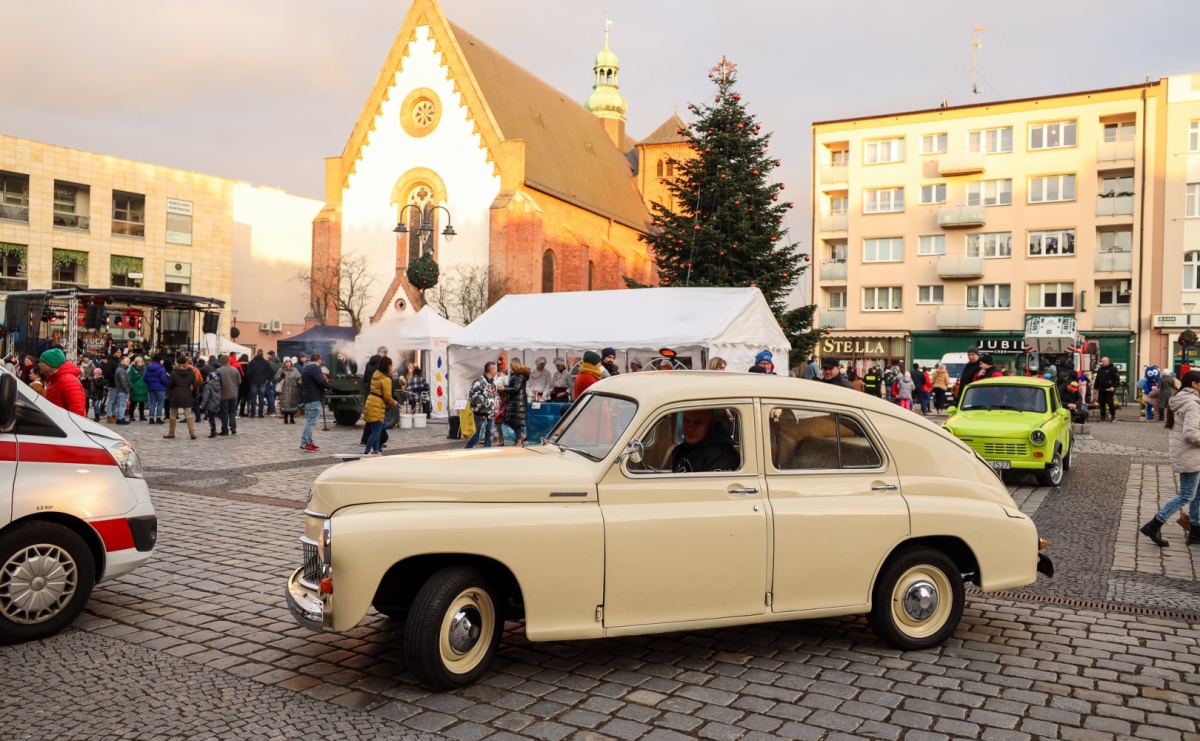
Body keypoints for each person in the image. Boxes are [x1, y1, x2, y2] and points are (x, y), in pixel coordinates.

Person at [1140, 369, 1200, 547]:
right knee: (1187, 495)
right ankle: (1155, 524)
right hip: (1189, 454)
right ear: (1195, 385)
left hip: (1189, 453)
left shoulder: (1183, 399)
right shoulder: (1192, 403)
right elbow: (1190, 433)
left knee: (1197, 495)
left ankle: (1196, 531)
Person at [667, 409, 740, 473]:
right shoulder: (679, 451)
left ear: (711, 425)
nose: (690, 428)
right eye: (686, 421)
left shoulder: (724, 456)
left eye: (698, 423)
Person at [298, 351, 333, 452]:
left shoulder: (306, 368)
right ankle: (304, 443)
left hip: (308, 398)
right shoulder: (315, 368)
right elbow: (321, 380)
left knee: (310, 421)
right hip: (313, 398)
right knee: (311, 422)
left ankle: (309, 442)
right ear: (319, 361)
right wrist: (330, 387)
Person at [362, 356, 396, 456]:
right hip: (377, 405)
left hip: (371, 401)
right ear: (388, 366)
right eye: (391, 365)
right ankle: (367, 451)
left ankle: (376, 451)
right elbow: (387, 396)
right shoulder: (386, 379)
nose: (392, 366)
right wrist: (394, 402)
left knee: (376, 430)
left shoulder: (376, 374)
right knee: (376, 432)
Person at [38, 348, 85, 416]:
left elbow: (77, 411)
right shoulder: (54, 379)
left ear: (51, 363)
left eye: (42, 362)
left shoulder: (68, 380)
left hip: (65, 425)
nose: (39, 364)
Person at [464, 362, 498, 449]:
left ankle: (487, 452)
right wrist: (487, 403)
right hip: (481, 414)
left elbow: (495, 396)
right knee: (478, 435)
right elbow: (474, 397)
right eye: (495, 369)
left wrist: (497, 403)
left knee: (489, 434)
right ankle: (467, 448)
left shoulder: (492, 383)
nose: (496, 371)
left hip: (490, 413)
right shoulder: (479, 382)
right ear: (491, 370)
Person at [164, 356, 198, 440]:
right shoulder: (191, 372)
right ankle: (192, 433)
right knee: (188, 414)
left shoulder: (174, 372)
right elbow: (195, 385)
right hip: (187, 394)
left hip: (176, 395)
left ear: (177, 363)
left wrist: (168, 393)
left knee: (173, 414)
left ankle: (171, 433)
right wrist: (193, 395)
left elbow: (169, 385)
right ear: (186, 362)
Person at [503, 358, 530, 445]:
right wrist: (505, 387)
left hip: (517, 402)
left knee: (513, 421)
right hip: (515, 402)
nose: (510, 366)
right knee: (511, 421)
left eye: (511, 364)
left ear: (514, 365)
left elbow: (516, 388)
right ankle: (520, 436)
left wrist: (504, 389)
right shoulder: (517, 375)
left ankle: (519, 439)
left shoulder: (520, 376)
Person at [218, 356, 242, 436]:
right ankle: (233, 427)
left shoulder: (218, 370)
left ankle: (225, 429)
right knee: (232, 411)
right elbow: (239, 381)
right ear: (228, 361)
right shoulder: (235, 369)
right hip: (234, 394)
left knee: (224, 412)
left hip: (224, 394)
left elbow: (216, 383)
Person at [246, 349, 274, 418]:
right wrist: (267, 379)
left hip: (253, 381)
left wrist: (250, 379)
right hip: (262, 381)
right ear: (262, 354)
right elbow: (271, 372)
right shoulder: (266, 362)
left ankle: (252, 413)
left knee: (253, 398)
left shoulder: (252, 362)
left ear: (256, 354)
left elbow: (248, 372)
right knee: (261, 398)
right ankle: (260, 414)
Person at [274, 358, 302, 424]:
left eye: (289, 361)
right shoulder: (281, 370)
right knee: (285, 405)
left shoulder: (295, 370)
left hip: (293, 390)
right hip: (284, 390)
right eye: (287, 361)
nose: (288, 363)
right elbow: (276, 378)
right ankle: (285, 418)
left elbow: (300, 377)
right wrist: (281, 376)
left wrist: (299, 383)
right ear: (284, 362)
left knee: (293, 404)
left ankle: (292, 418)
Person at [144, 355, 169, 425]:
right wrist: (167, 383)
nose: (163, 361)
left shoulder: (148, 367)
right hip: (160, 388)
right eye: (162, 360)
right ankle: (158, 418)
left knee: (152, 403)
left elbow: (145, 378)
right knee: (160, 404)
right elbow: (163, 379)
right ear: (159, 361)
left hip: (151, 388)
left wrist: (150, 383)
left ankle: (151, 419)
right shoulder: (161, 369)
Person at [1094, 356, 1121, 423]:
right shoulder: (1100, 369)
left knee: (1110, 402)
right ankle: (1103, 417)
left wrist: (1113, 387)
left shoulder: (1113, 369)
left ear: (1108, 361)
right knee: (1101, 403)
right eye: (1102, 361)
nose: (1103, 362)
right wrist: (1095, 388)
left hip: (1110, 389)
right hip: (1102, 389)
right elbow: (1097, 379)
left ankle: (1113, 416)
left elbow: (1117, 379)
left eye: (1104, 361)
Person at [199, 370, 222, 438]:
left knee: (210, 418)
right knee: (212, 417)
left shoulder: (208, 386)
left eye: (208, 377)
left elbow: (206, 396)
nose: (207, 378)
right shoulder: (218, 385)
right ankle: (214, 429)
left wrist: (202, 405)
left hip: (210, 404)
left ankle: (213, 430)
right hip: (216, 403)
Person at [127, 356, 148, 422]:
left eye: (141, 361)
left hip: (143, 388)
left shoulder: (145, 369)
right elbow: (129, 379)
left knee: (142, 402)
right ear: (136, 362)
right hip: (135, 388)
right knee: (133, 402)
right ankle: (131, 416)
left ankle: (142, 416)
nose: (140, 363)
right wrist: (132, 386)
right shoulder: (132, 369)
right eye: (138, 361)